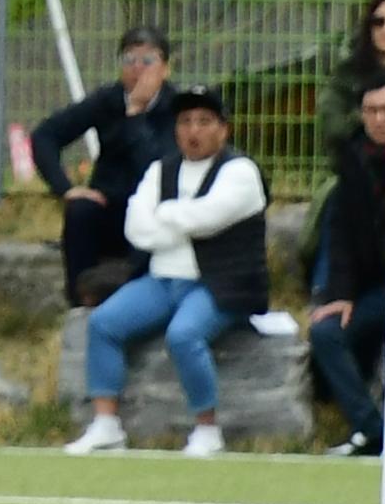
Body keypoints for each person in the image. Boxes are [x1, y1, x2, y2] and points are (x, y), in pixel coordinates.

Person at [67, 85, 269, 457]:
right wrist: (182, 219)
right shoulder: (160, 170)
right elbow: (136, 229)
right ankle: (106, 425)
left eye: (205, 121)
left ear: (224, 129)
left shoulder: (241, 172)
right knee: (104, 323)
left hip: (219, 284)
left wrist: (166, 215)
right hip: (162, 279)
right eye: (186, 121)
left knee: (184, 334)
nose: (194, 130)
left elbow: (209, 218)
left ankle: (207, 429)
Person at [29, 26, 178, 307]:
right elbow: (45, 136)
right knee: (80, 212)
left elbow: (154, 166)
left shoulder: (176, 108)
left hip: (154, 208)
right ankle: (79, 302)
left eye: (148, 61)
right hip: (109, 202)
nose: (138, 70)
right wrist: (65, 188)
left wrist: (135, 115)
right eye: (129, 60)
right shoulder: (107, 100)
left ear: (165, 69)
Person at [311, 76, 385, 457]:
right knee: (327, 331)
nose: (380, 119)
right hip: (377, 291)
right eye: (372, 111)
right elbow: (340, 239)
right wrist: (340, 295)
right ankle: (372, 430)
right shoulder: (352, 164)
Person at [323, 0, 385, 158]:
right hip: (356, 163)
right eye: (379, 22)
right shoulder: (348, 70)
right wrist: (365, 121)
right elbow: (331, 121)